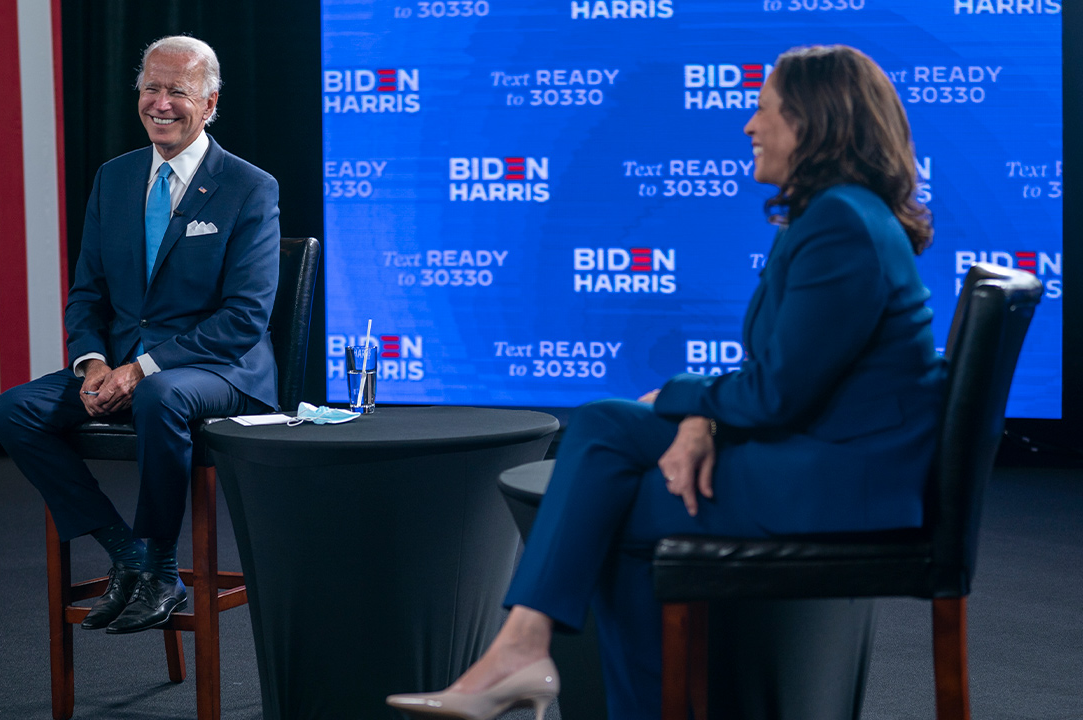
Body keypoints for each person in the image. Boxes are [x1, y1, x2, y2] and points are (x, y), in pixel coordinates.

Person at [387, 45, 946, 720]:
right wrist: (700, 417)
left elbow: (776, 395)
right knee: (605, 429)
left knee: (608, 480)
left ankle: (522, 650)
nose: (748, 125)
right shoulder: (844, 215)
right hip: (833, 464)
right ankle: (524, 651)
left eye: (764, 109)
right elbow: (790, 373)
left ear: (814, 120)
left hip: (840, 486)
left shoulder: (841, 223)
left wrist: (687, 402)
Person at [0, 36, 280, 635]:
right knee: (15, 410)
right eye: (152, 87)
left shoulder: (250, 187)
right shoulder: (115, 178)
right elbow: (88, 293)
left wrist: (142, 369)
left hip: (220, 371)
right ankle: (131, 554)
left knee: (160, 394)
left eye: (179, 90)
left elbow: (243, 319)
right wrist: (93, 362)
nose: (161, 103)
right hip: (123, 369)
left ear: (211, 103)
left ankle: (162, 565)